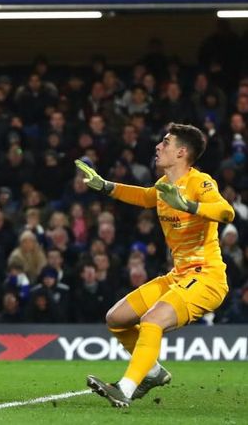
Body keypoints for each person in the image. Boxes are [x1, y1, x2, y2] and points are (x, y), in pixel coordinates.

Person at [75, 123, 235, 407]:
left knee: (151, 320)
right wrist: (106, 186)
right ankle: (152, 371)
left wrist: (190, 206)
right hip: (178, 276)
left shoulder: (201, 183)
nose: (158, 146)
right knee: (117, 318)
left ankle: (124, 388)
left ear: (182, 152)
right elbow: (146, 196)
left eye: (166, 142)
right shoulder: (163, 186)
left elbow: (226, 211)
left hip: (207, 277)